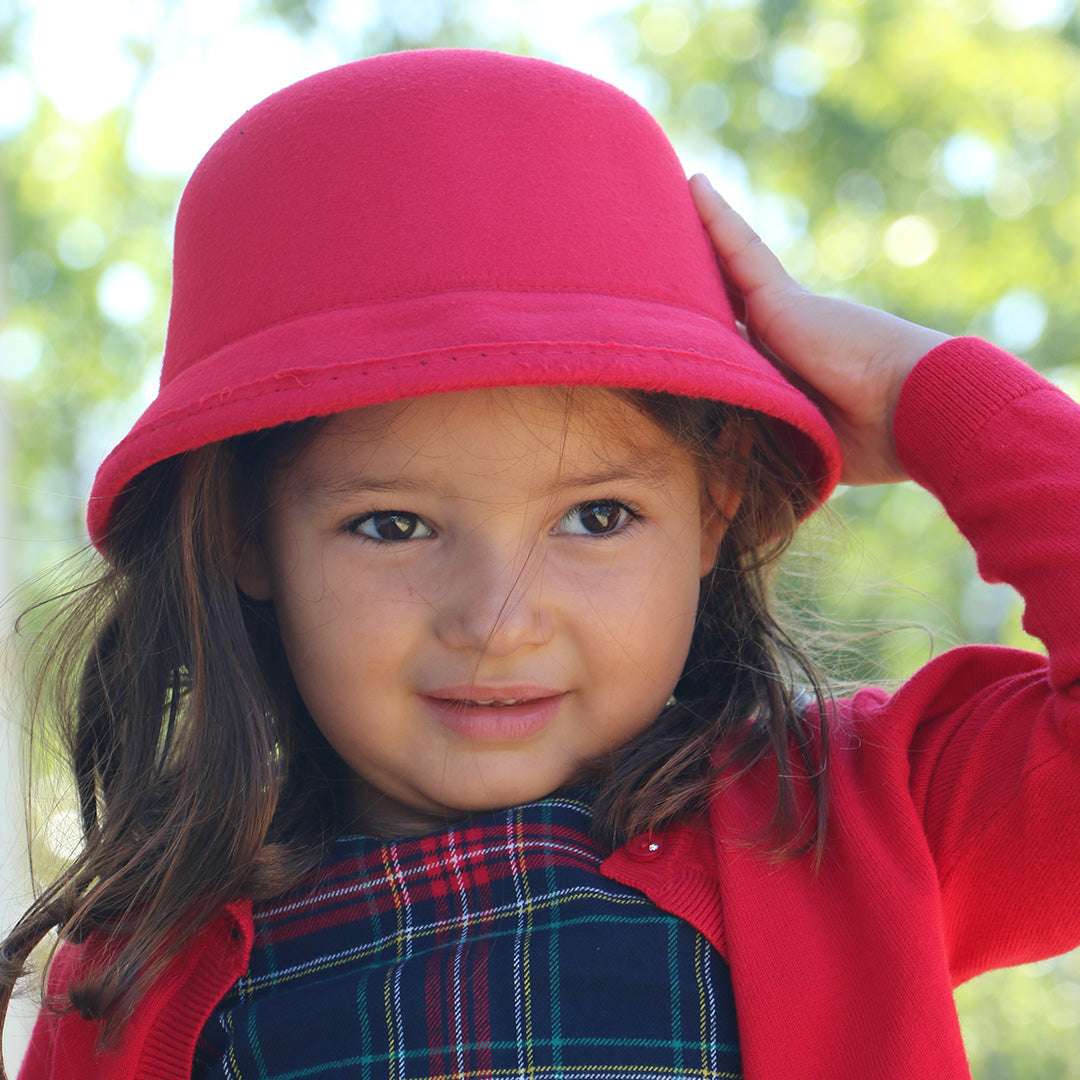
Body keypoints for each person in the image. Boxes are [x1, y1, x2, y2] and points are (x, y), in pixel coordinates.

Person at [2, 48, 1078, 1080]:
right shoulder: (132, 980)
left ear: (716, 507)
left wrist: (927, 394)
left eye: (597, 516)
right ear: (245, 535)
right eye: (393, 526)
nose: (498, 618)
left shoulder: (857, 823)